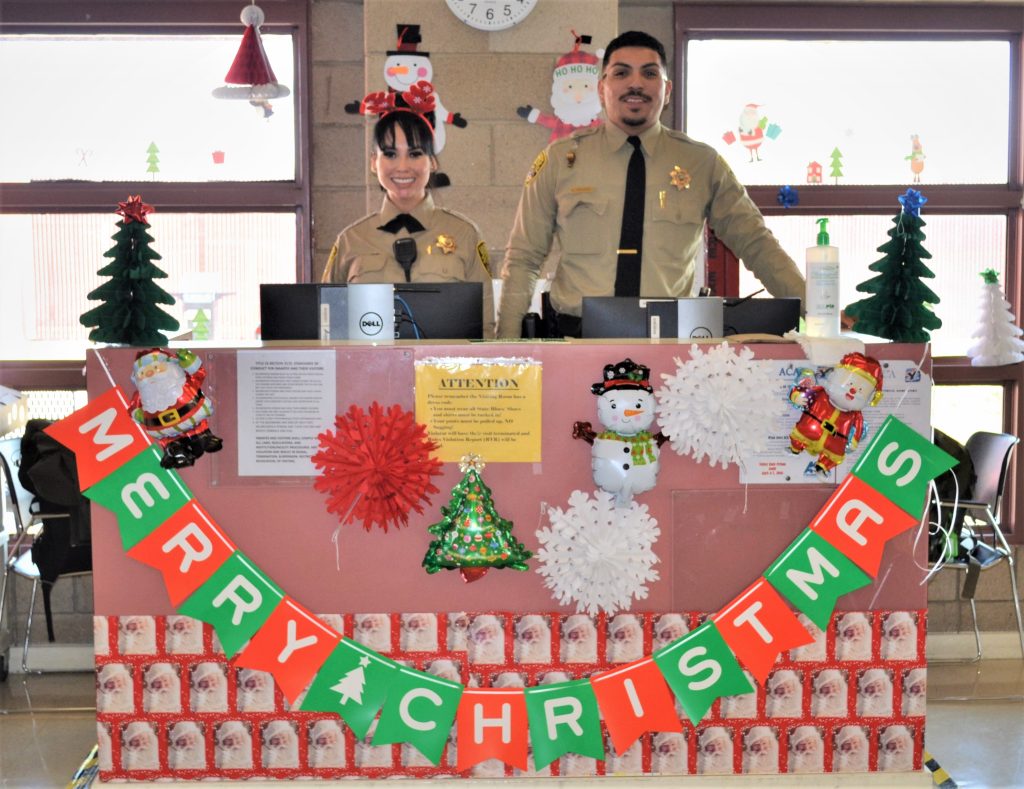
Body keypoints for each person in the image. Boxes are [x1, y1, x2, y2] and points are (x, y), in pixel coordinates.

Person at [496, 30, 805, 338]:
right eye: (621, 73)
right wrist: (505, 346)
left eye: (649, 73)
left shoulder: (702, 163)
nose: (635, 84)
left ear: (667, 90)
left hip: (672, 346)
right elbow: (525, 257)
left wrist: (817, 313)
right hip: (575, 341)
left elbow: (757, 244)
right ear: (602, 88)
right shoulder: (560, 159)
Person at [321, 107, 495, 337]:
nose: (403, 166)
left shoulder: (464, 234)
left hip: (443, 371)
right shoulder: (350, 241)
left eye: (414, 154)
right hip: (371, 370)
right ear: (374, 162)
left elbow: (484, 327)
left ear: (432, 162)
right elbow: (328, 328)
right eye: (391, 154)